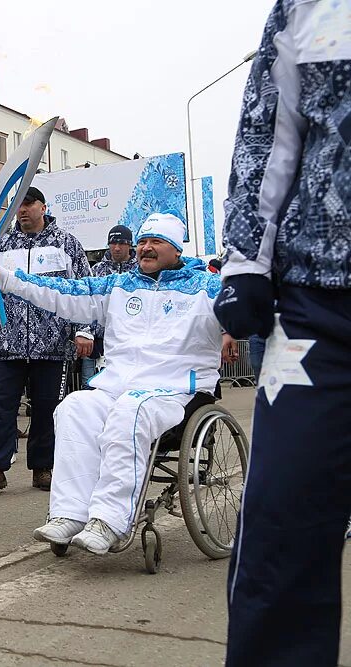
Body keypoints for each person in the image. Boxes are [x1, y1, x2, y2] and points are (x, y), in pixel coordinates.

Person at [213, 3, 350, 663]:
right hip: (314, 314)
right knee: (282, 519)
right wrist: (245, 260)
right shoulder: (312, 4)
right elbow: (270, 128)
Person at [0, 214, 226, 555]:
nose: (146, 248)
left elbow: (245, 311)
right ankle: (70, 514)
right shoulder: (119, 285)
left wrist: (229, 330)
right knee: (73, 408)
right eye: (142, 242)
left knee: (130, 412)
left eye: (156, 242)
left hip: (176, 389)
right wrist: (5, 278)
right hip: (118, 385)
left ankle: (109, 519)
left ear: (176, 249)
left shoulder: (207, 286)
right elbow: (61, 291)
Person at [0, 186, 93, 497]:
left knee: (48, 408)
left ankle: (43, 467)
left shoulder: (66, 244)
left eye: (28, 203)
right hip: (5, 342)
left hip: (51, 344)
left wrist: (84, 329)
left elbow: (84, 288)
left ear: (43, 206)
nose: (22, 210)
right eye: (17, 206)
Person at [83, 225, 139, 388]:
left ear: (130, 244)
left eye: (121, 243)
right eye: (113, 243)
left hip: (131, 341)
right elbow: (86, 303)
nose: (117, 247)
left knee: (128, 387)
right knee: (90, 388)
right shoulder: (96, 271)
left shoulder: (140, 270)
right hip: (99, 342)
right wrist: (88, 333)